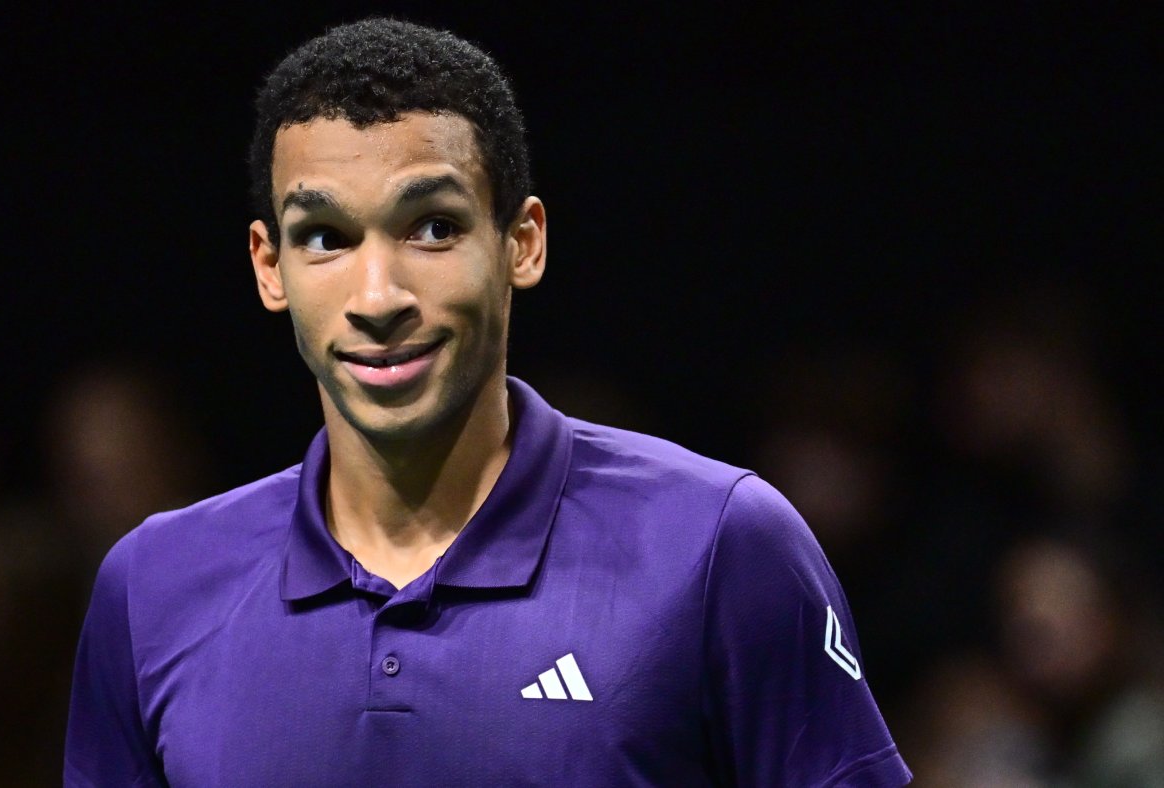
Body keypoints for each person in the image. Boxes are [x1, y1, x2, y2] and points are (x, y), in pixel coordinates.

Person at [65, 18, 911, 786]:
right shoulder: (151, 590)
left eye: (433, 227)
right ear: (268, 266)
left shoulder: (719, 546)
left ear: (522, 243)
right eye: (325, 238)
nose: (378, 296)